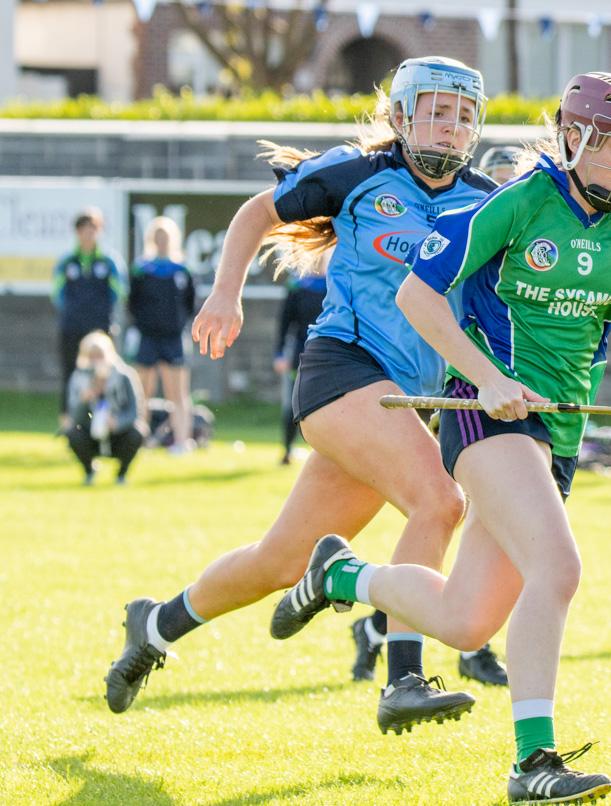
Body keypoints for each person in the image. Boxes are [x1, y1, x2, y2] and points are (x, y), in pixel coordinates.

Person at [270, 71, 611, 804]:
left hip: (556, 430)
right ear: (573, 138)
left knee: (466, 623)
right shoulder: (520, 203)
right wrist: (484, 377)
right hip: (485, 411)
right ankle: (534, 764)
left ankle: (336, 577)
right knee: (556, 569)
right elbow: (417, 294)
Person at [104, 56, 507, 727]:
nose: (452, 123)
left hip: (407, 403)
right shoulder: (356, 173)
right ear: (402, 117)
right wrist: (225, 294)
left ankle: (154, 626)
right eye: (436, 109)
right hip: (342, 371)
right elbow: (258, 211)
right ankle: (403, 679)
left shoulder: (490, 201)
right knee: (438, 502)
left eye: (464, 113)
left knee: (280, 561)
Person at [52, 208, 127, 433]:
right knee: (70, 373)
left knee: (103, 374)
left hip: (101, 329)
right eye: (84, 229)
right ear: (77, 231)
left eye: (93, 229)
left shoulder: (109, 260)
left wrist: (98, 310)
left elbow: (120, 291)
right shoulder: (67, 261)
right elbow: (56, 293)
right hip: (72, 327)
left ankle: (101, 422)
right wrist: (76, 310)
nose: (88, 234)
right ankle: (68, 425)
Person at [129, 216, 196, 454]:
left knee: (177, 393)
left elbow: (189, 304)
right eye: (157, 236)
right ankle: (139, 440)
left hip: (174, 339)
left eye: (165, 236)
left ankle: (182, 442)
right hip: (148, 338)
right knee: (142, 392)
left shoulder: (182, 269)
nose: (162, 241)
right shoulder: (141, 269)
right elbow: (133, 303)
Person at [65, 331, 145, 485]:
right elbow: (74, 418)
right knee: (72, 434)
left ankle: (121, 475)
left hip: (118, 433)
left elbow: (135, 411)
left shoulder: (123, 376)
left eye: (99, 355)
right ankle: (89, 472)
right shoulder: (78, 379)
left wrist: (118, 422)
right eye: (92, 356)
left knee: (138, 432)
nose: (96, 361)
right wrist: (85, 401)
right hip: (91, 431)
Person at [273, 247, 329, 466]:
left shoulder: (334, 284)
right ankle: (287, 450)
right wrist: (279, 353)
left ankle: (325, 452)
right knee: (295, 404)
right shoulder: (296, 286)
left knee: (327, 405)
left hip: (326, 354)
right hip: (300, 353)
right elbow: (284, 323)